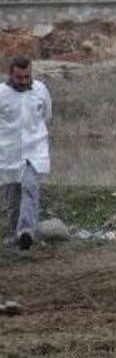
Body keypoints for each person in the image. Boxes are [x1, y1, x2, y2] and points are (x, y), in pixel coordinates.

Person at [0, 57, 52, 251]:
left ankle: (26, 233)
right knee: (13, 199)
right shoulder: (1, 94)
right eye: (19, 77)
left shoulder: (40, 90)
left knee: (30, 187)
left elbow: (47, 115)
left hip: (34, 149)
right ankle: (16, 238)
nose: (23, 81)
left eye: (27, 76)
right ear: (11, 74)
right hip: (9, 152)